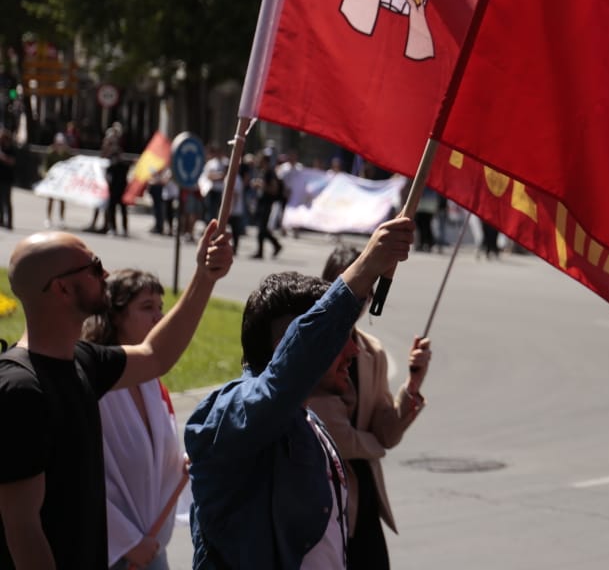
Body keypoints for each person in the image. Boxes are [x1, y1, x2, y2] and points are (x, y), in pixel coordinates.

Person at [0, 222, 233, 570]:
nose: (105, 273)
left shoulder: (80, 360)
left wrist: (205, 275)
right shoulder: (21, 389)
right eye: (93, 267)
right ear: (62, 288)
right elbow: (22, 527)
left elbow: (156, 355)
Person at [184, 217, 414, 569]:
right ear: (288, 345)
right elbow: (287, 374)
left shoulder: (308, 423)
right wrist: (366, 266)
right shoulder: (231, 413)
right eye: (339, 340)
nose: (352, 352)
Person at [306, 246, 432, 568]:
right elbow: (335, 436)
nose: (362, 296)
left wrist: (412, 385)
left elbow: (385, 432)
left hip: (364, 500)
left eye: (368, 288)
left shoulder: (371, 351)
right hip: (321, 498)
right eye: (354, 285)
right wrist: (374, 446)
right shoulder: (310, 346)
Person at [81, 270, 186, 570]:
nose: (159, 317)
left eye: (160, 307)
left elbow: (154, 461)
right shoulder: (95, 385)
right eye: (147, 307)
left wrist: (182, 466)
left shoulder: (151, 382)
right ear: (115, 317)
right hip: (111, 553)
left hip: (151, 548)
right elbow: (82, 476)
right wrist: (125, 541)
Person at [249, 160, 284, 260]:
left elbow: (274, 189)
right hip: (261, 202)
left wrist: (261, 186)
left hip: (267, 203)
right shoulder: (262, 172)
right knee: (262, 229)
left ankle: (263, 250)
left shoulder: (270, 173)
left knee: (262, 229)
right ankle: (275, 245)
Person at [42, 134, 75, 229]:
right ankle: (48, 218)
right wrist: (46, 175)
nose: (60, 145)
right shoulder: (51, 152)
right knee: (51, 199)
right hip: (53, 179)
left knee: (62, 200)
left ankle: (62, 219)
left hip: (62, 180)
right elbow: (45, 166)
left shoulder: (67, 153)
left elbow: (71, 164)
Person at [0, 128, 16, 231]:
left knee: (7, 201)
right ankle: (1, 220)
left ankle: (9, 222)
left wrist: (2, 157)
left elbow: (12, 162)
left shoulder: (11, 149)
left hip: (7, 179)